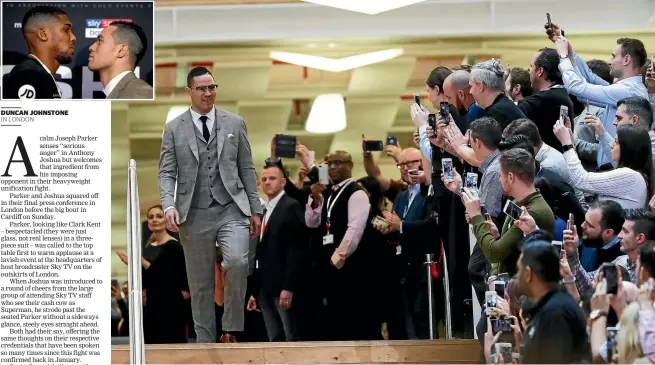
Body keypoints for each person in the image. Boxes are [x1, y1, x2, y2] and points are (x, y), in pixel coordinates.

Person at [158, 66, 263, 343]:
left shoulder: (234, 123)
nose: (208, 93)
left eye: (212, 87)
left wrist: (255, 209)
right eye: (202, 88)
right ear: (189, 91)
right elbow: (167, 173)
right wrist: (168, 205)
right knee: (200, 283)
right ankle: (206, 341)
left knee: (238, 261)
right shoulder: (173, 129)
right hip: (193, 212)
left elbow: (246, 168)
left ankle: (231, 326)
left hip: (232, 206)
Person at [116, 205, 190, 344]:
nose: (154, 220)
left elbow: (168, 279)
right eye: (151, 217)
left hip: (171, 308)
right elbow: (147, 279)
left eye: (159, 216)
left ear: (166, 220)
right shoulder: (148, 249)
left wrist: (141, 262)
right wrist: (133, 266)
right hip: (151, 308)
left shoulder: (174, 248)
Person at [251, 164, 306, 342]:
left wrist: (288, 287)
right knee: (274, 338)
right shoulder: (264, 210)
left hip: (282, 285)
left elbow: (296, 249)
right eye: (264, 179)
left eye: (272, 178)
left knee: (291, 337)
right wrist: (254, 290)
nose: (267, 182)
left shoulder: (291, 206)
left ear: (283, 182)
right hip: (264, 286)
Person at [517, 240, 592, 364]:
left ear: (528, 274)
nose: (517, 275)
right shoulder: (551, 306)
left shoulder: (556, 312)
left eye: (519, 269)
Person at [554, 122, 653, 209]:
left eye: (617, 142)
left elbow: (581, 180)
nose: (612, 145)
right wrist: (571, 144)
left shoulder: (631, 176)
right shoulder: (634, 176)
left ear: (629, 149)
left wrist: (567, 144)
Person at [3, 6, 76, 99]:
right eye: (66, 30)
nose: (73, 37)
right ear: (43, 34)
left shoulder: (40, 76)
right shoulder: (28, 77)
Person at [87, 20, 153, 99]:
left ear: (121, 50)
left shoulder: (140, 96)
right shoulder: (130, 94)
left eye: (100, 41)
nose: (91, 47)